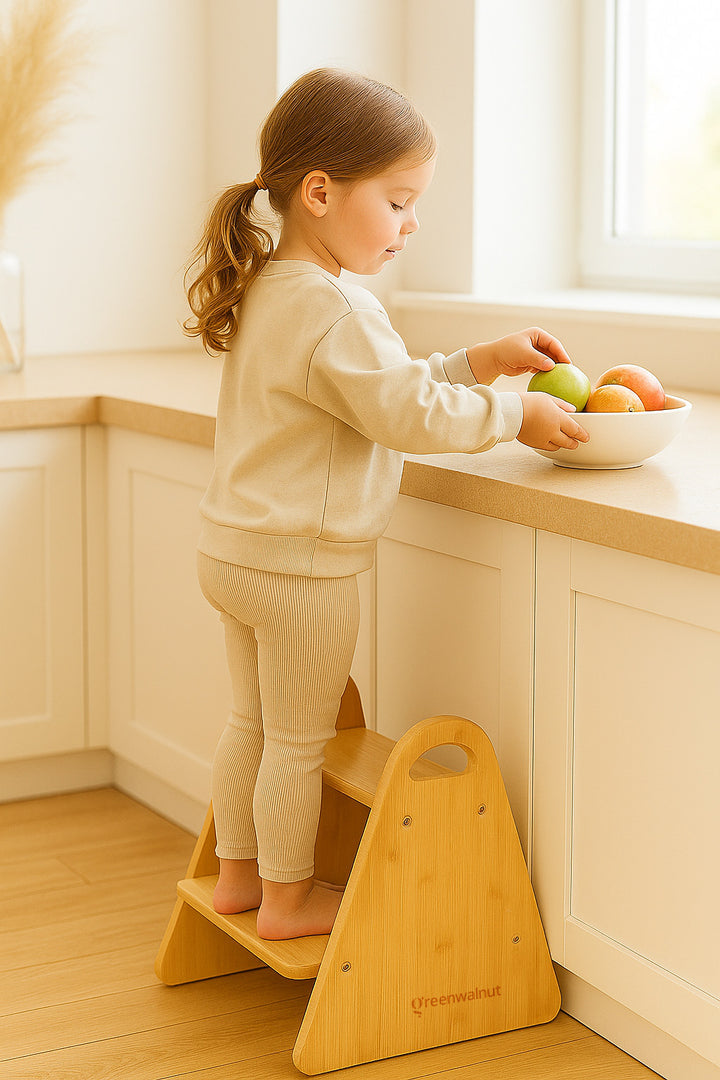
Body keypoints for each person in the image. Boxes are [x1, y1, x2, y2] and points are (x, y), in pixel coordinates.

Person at [184, 67, 589, 942]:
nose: (412, 225)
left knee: (249, 721)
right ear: (321, 193)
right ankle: (291, 900)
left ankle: (240, 879)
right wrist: (517, 413)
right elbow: (399, 410)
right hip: (301, 566)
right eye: (400, 202)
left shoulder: (271, 287)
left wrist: (477, 363)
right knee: (300, 740)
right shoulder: (338, 307)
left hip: (234, 551)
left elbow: (375, 391)